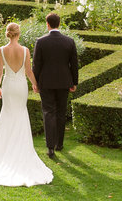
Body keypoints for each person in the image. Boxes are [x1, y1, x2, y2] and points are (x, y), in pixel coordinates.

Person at [0, 21, 54, 186]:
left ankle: (5, 154)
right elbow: (28, 71)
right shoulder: (25, 50)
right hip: (20, 86)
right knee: (21, 115)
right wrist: (36, 85)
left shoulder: (2, 50)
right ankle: (20, 152)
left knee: (7, 115)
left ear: (8, 34)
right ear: (18, 34)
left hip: (8, 86)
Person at [31, 11, 79, 158]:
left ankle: (50, 147)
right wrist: (74, 82)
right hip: (64, 82)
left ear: (47, 24)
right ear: (59, 23)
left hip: (46, 82)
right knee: (60, 112)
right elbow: (74, 65)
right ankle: (59, 144)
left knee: (48, 112)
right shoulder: (69, 41)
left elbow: (36, 65)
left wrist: (35, 83)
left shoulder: (41, 41)